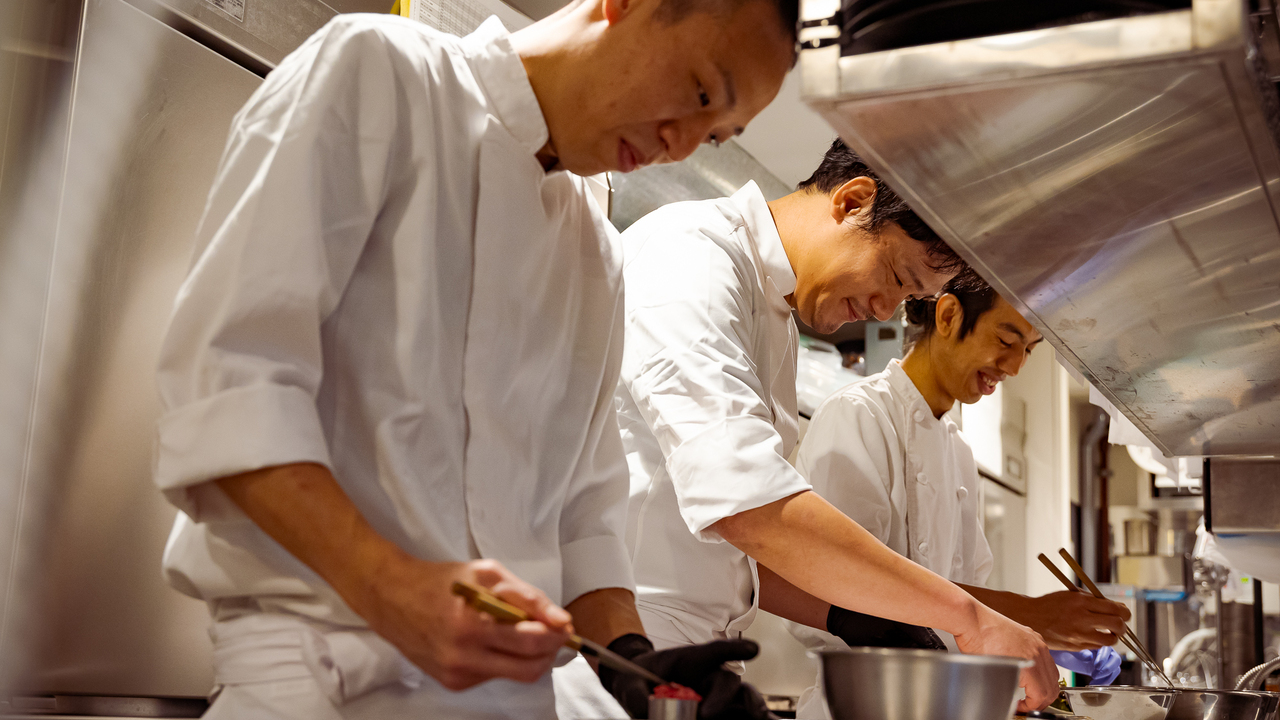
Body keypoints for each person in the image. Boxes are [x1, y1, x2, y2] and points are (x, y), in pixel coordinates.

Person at [150, 0, 797, 716]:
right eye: (702, 91)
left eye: (714, 136)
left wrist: (634, 666)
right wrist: (391, 588)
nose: (680, 144)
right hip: (324, 684)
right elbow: (233, 383)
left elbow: (586, 514)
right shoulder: (383, 75)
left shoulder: (595, 244)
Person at [610, 139, 1060, 715]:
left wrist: (859, 618)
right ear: (852, 202)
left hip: (690, 661)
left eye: (906, 297)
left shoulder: (775, 318)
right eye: (896, 276)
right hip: (625, 653)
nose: (882, 311)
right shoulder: (692, 255)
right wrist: (965, 614)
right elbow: (743, 504)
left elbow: (740, 546)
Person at [788, 272, 1128, 718]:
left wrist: (1033, 638)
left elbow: (964, 609)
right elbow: (840, 588)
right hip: (860, 707)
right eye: (1006, 340)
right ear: (948, 315)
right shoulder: (858, 416)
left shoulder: (959, 453)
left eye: (1027, 350)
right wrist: (1029, 615)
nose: (1014, 366)